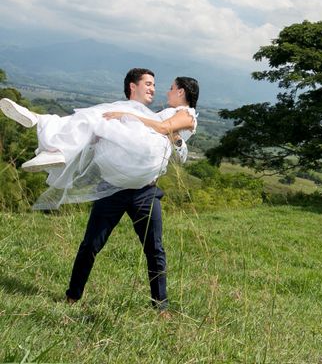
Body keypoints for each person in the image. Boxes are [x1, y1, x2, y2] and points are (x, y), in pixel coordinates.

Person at [1, 68, 199, 311]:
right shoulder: (137, 112)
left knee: (154, 249)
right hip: (112, 188)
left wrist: (173, 138)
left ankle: (161, 307)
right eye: (149, 84)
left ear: (180, 92)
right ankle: (72, 297)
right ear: (132, 86)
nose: (157, 90)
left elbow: (175, 149)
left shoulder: (183, 116)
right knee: (91, 244)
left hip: (145, 192)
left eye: (164, 86)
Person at [0, 71, 199, 209]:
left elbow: (164, 128)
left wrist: (129, 116)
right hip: (141, 155)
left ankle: (43, 125)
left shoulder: (188, 114)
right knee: (95, 123)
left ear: (181, 92)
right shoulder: (173, 112)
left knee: (98, 117)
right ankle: (53, 144)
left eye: (172, 88)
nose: (166, 91)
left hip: (148, 154)